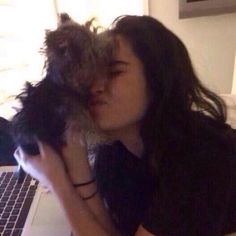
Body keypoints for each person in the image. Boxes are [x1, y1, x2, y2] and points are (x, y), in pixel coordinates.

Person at [14, 15, 236, 236]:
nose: (95, 86)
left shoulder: (204, 157)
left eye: (114, 72)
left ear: (157, 80)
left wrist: (57, 182)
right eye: (93, 72)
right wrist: (78, 168)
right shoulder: (116, 152)